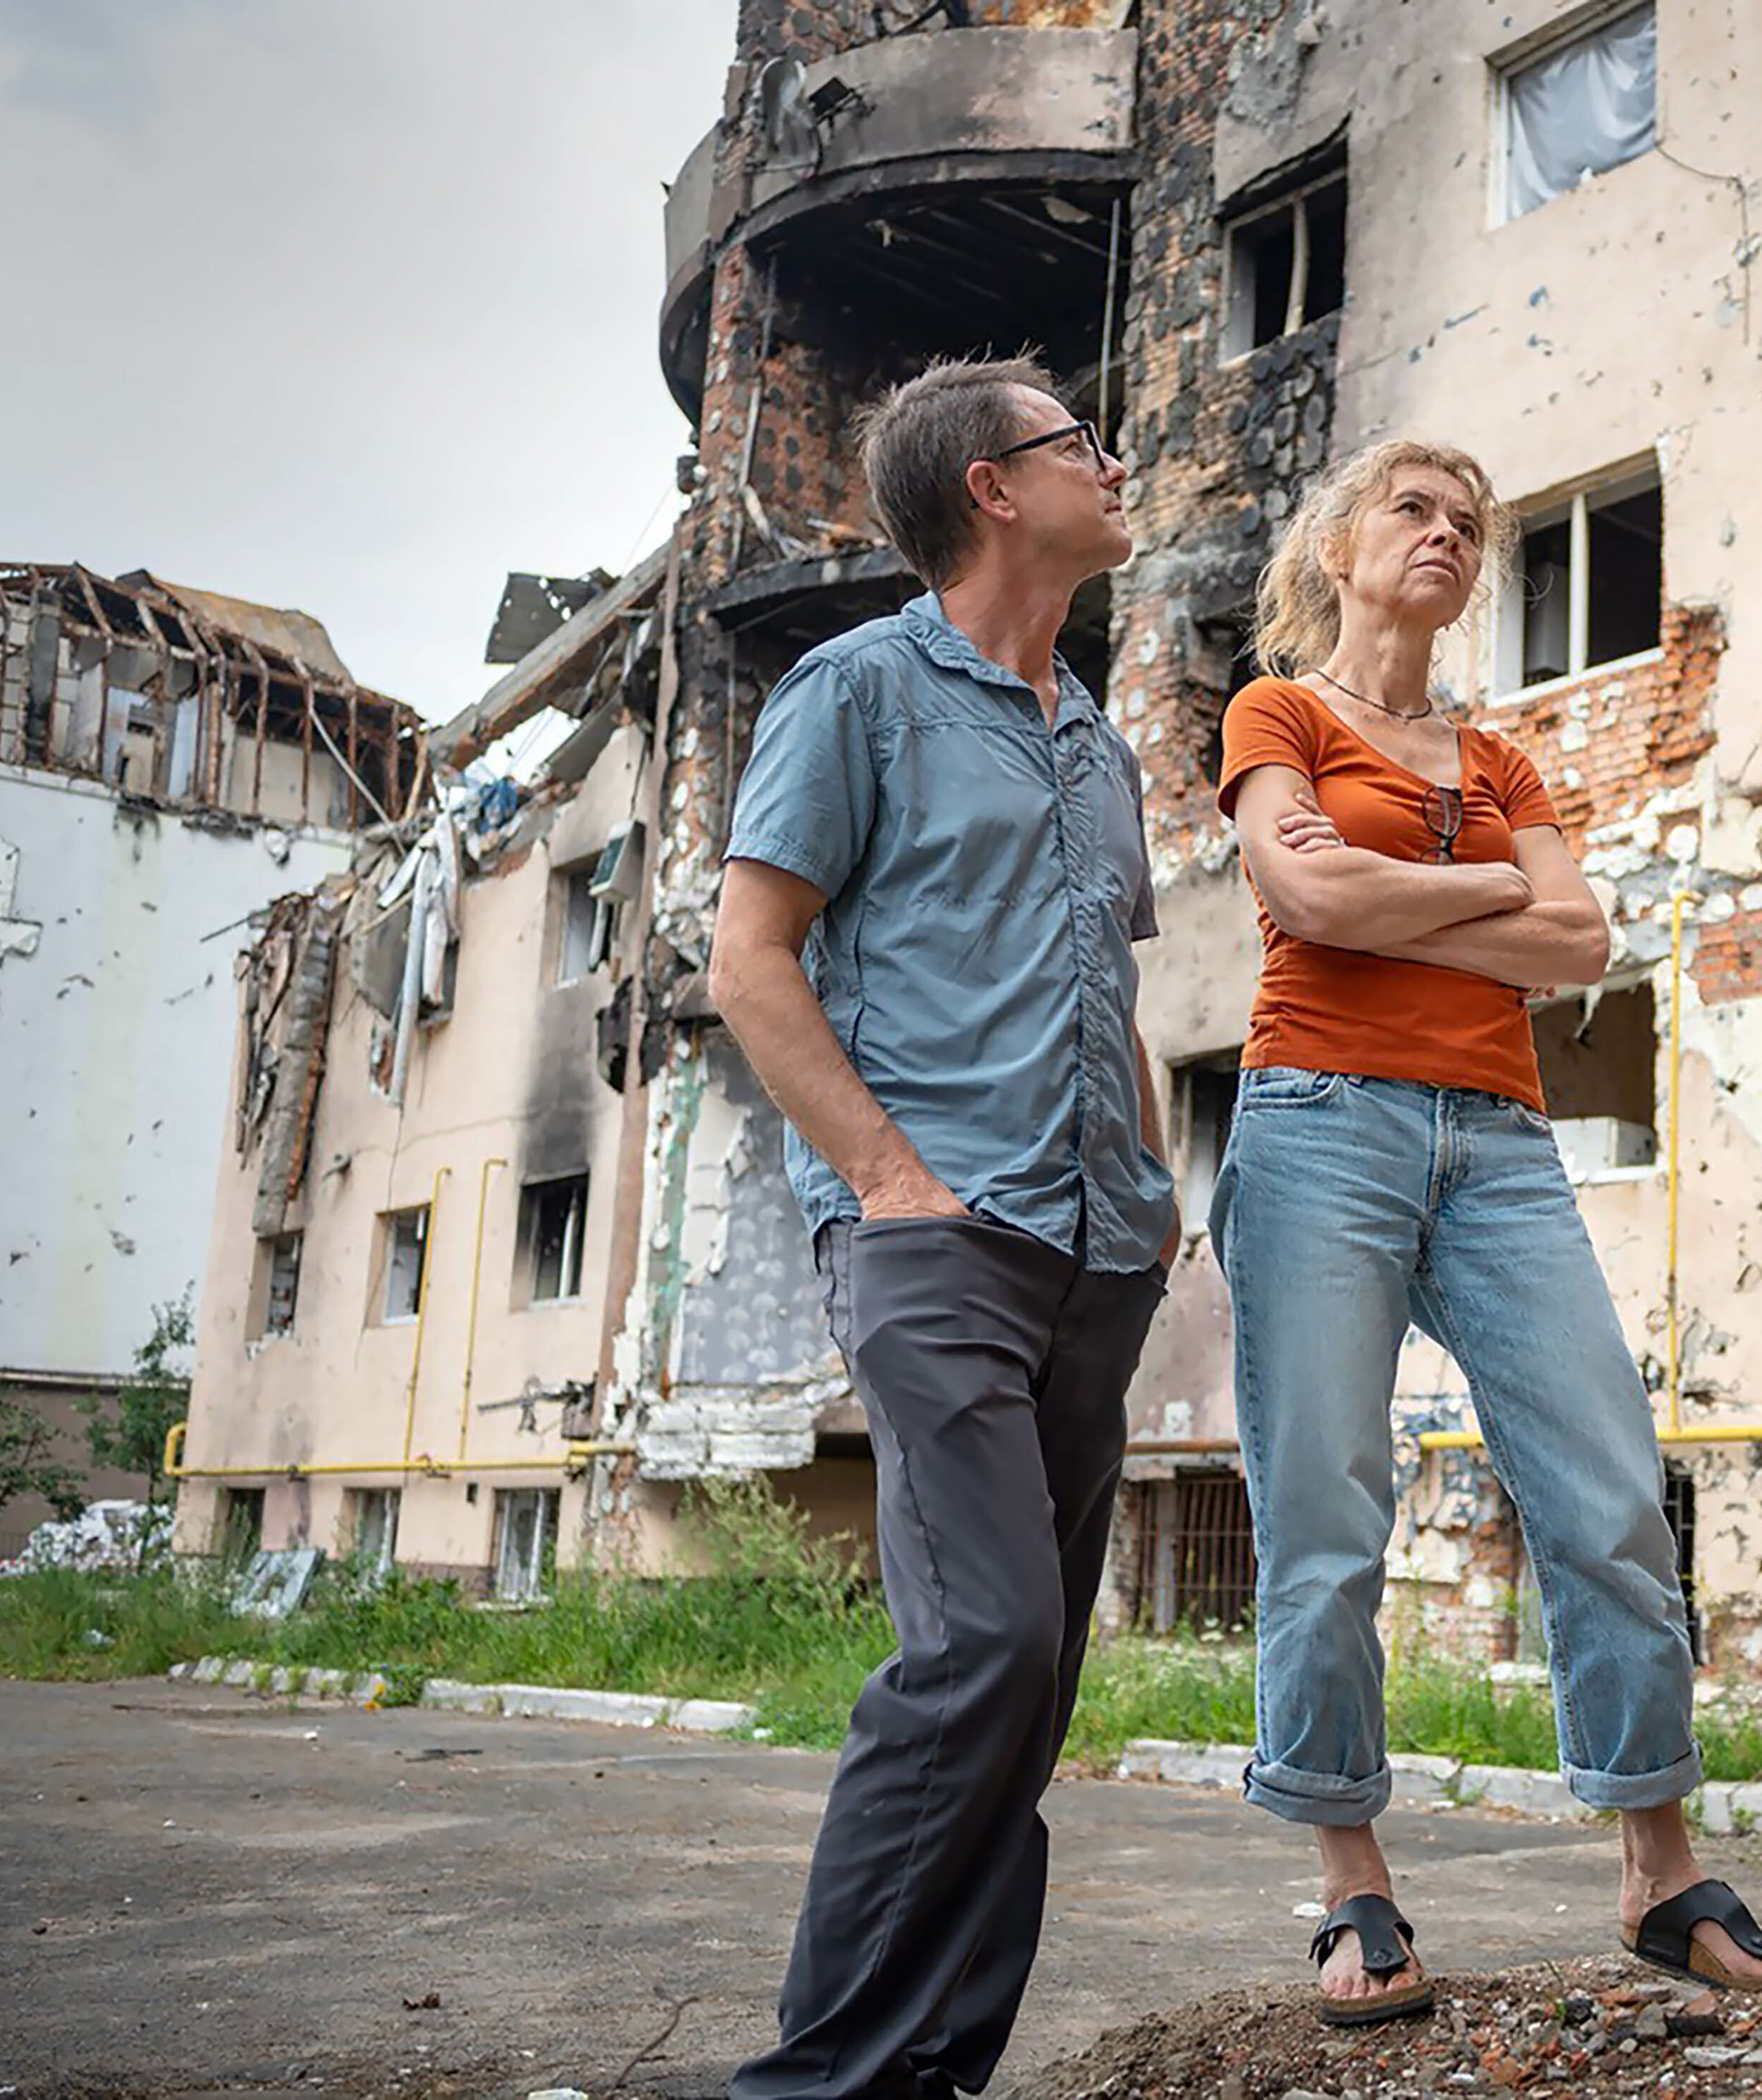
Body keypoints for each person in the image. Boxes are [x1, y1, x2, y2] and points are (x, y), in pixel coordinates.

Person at [1210, 439, 1762, 2025]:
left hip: (1499, 1141)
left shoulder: (1499, 758)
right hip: (1315, 1127)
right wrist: (1479, 909)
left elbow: (1582, 938)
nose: (1446, 536)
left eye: (1467, 524)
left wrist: (1391, 893)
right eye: (1412, 510)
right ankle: (1355, 1890)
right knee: (1326, 1520)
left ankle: (1661, 1874)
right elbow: (1308, 901)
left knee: (1611, 1496)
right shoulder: (1275, 714)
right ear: (1337, 546)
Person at [710, 356, 1178, 2100]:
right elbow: (749, 964)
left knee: (1031, 1686)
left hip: (1094, 1246)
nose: (1115, 462)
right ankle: (822, 2081)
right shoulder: (855, 692)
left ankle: (935, 2070)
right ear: (992, 487)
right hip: (937, 1237)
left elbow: (1102, 983)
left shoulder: (1095, 735)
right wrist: (893, 1183)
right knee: (981, 1642)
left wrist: (1148, 1184)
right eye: (1081, 441)